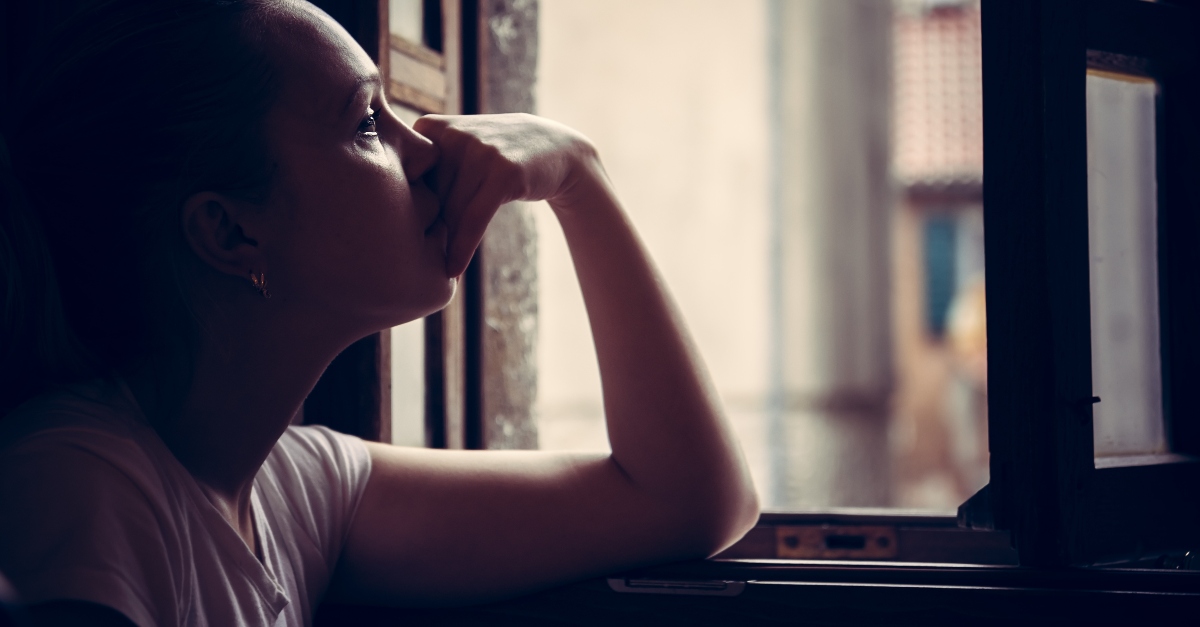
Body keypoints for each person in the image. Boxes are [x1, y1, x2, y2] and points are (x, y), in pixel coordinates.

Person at [0, 0, 760, 625]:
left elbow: (684, 500)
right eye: (367, 121)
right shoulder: (83, 486)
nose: (427, 146)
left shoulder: (288, 486)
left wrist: (576, 174)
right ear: (231, 230)